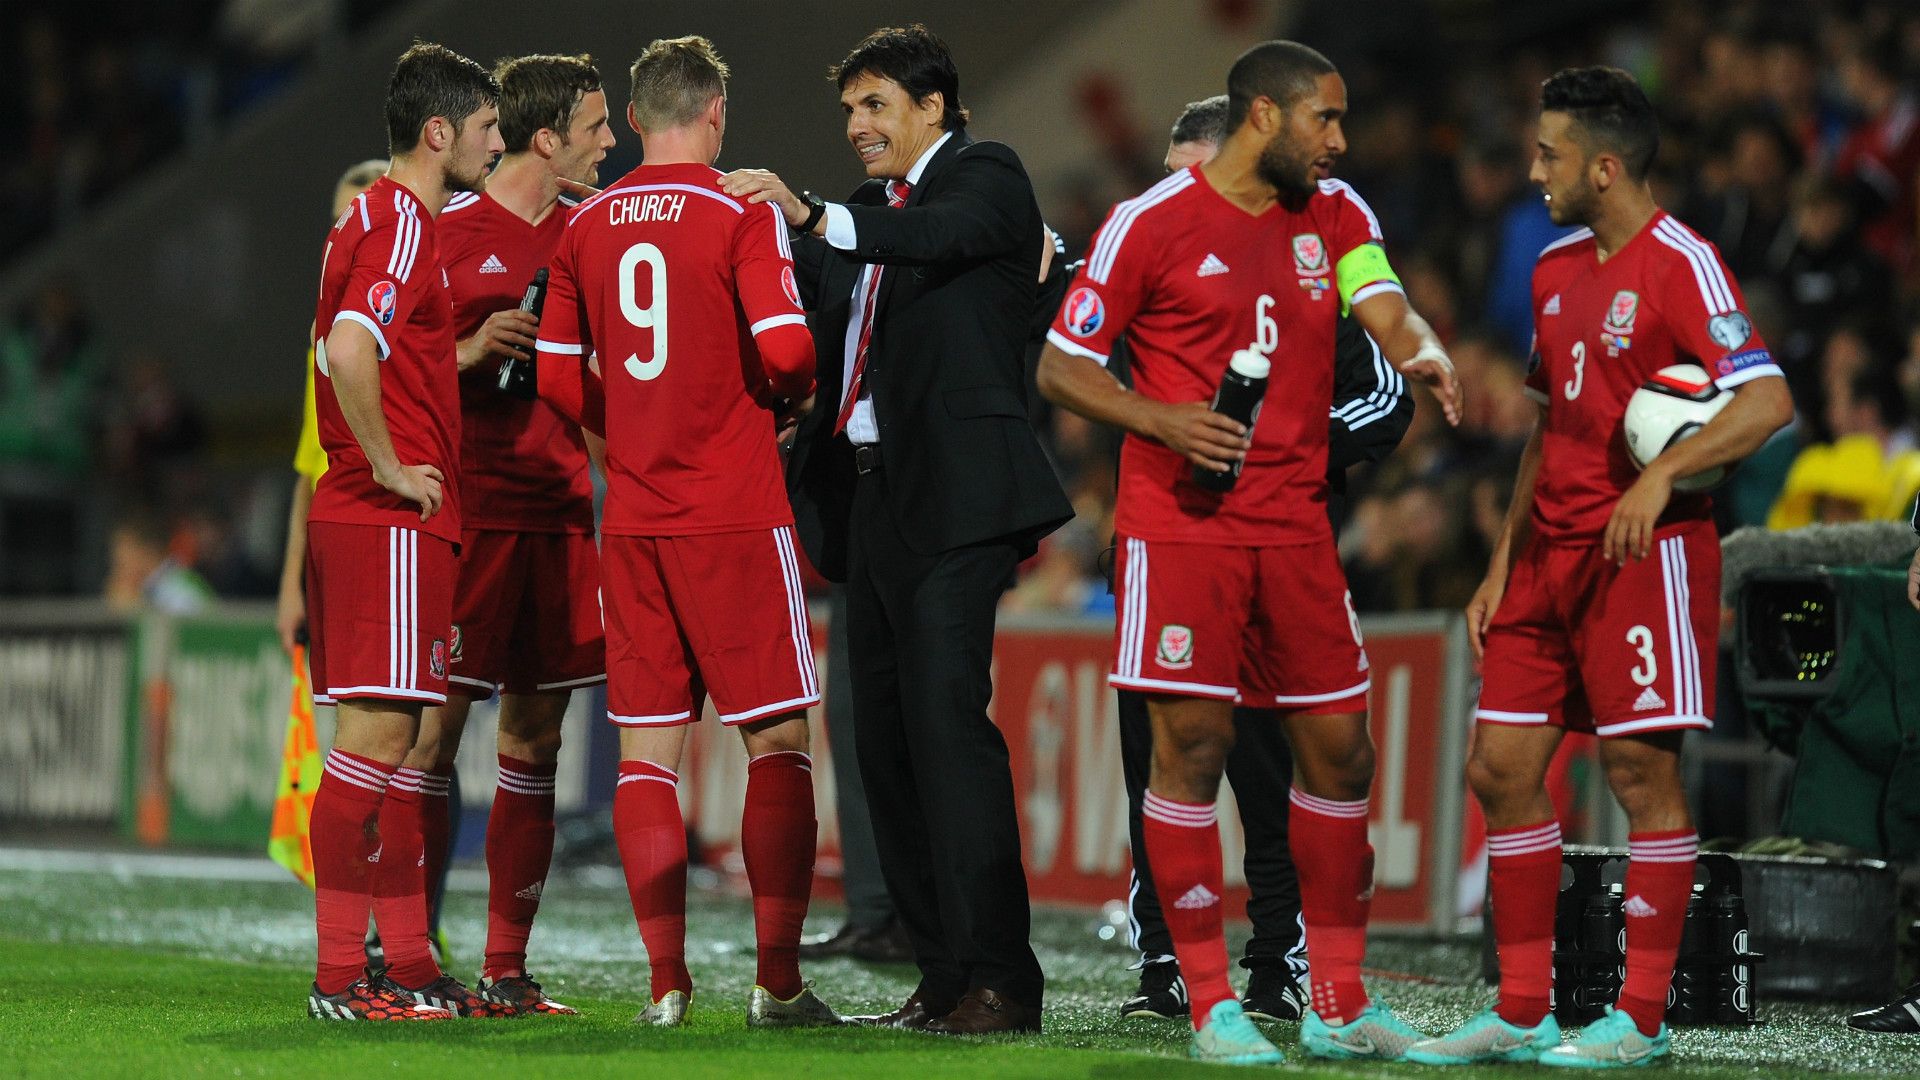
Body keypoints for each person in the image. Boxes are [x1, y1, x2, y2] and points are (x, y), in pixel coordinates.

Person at [1036, 41, 1461, 1065]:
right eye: (1325, 118)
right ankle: (1212, 1003)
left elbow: (1377, 293)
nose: (1340, 140)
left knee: (1341, 748)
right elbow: (1064, 365)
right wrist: (1163, 419)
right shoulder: (1150, 224)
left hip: (1297, 528)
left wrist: (1420, 347)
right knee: (1192, 752)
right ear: (1265, 117)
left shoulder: (1338, 211)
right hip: (1180, 532)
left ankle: (1339, 1000)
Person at [1406, 67, 1794, 1068]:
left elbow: (1765, 400)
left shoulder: (1683, 264)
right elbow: (1548, 426)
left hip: (1644, 555)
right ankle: (1524, 1008)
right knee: (1499, 768)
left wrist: (1663, 476)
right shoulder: (1552, 269)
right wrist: (1501, 562)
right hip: (1547, 558)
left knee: (1638, 774)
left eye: (1550, 155)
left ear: (1606, 166)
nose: (1535, 170)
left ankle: (1641, 1018)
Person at [722, 23, 1072, 1036]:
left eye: (874, 104)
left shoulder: (988, 176)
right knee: (884, 748)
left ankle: (1004, 980)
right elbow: (817, 311)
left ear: (934, 107)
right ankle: (942, 972)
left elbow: (933, 240)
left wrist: (810, 213)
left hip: (958, 501)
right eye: (849, 108)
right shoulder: (864, 215)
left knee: (948, 733)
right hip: (866, 499)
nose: (856, 125)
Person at [532, 35, 836, 1030]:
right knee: (777, 740)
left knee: (645, 757)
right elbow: (788, 347)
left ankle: (666, 985)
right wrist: (785, 398)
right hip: (738, 512)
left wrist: (624, 436)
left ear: (629, 121)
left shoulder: (585, 227)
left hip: (640, 519)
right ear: (714, 115)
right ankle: (778, 983)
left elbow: (552, 376)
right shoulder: (739, 211)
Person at [385, 51, 616, 1018]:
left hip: (560, 515)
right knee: (431, 739)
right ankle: (407, 955)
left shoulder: (593, 237)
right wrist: (469, 352)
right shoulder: (448, 235)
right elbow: (384, 362)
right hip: (467, 514)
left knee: (536, 738)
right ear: (546, 136)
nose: (613, 143)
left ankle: (507, 968)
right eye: (598, 127)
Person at [302, 42, 505, 1022]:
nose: (495, 145)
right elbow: (350, 344)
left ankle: (411, 964)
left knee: (405, 744)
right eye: (486, 129)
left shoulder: (372, 217)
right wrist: (384, 462)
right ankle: (343, 976)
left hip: (384, 521)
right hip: (385, 518)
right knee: (380, 743)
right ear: (440, 132)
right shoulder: (401, 222)